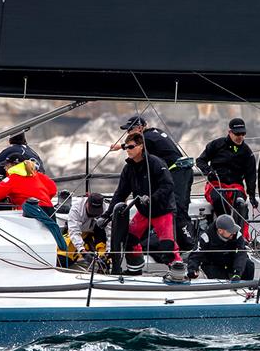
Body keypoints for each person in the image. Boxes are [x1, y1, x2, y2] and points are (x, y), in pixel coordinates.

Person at [103, 132, 185, 275]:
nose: (127, 150)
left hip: (162, 210)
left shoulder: (156, 163)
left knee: (167, 245)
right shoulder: (128, 169)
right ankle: (135, 270)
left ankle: (178, 274)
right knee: (130, 239)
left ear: (140, 147)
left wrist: (151, 199)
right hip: (144, 211)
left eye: (131, 147)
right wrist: (107, 214)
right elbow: (120, 193)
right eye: (126, 147)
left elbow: (168, 185)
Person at [110, 115, 195, 250]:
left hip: (179, 172)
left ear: (139, 128)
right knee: (173, 206)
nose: (128, 134)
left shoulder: (147, 138)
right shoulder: (154, 132)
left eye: (130, 130)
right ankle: (169, 241)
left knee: (178, 208)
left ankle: (189, 246)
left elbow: (140, 145)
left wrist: (120, 146)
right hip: (180, 171)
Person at [196, 118, 258, 239]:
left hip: (236, 186)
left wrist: (252, 196)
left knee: (241, 204)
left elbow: (251, 175)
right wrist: (208, 171)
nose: (240, 137)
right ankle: (222, 234)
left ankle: (242, 238)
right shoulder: (216, 144)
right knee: (219, 199)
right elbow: (200, 160)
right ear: (229, 132)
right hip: (216, 184)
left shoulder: (247, 152)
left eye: (243, 134)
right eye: (237, 134)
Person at [0, 153, 57, 217]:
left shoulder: (12, 180)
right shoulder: (37, 175)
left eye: (6, 164)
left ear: (13, 165)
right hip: (49, 211)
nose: (4, 167)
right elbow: (53, 189)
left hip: (31, 213)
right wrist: (41, 199)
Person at [186, 214, 254, 282]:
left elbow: (241, 254)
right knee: (215, 274)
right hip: (213, 263)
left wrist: (237, 273)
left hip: (230, 261)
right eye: (230, 231)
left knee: (249, 265)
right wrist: (192, 270)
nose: (233, 233)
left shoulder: (237, 235)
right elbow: (196, 255)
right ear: (220, 231)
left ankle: (247, 287)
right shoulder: (206, 237)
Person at [60, 192, 110, 268]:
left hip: (99, 235)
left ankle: (103, 258)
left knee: (105, 260)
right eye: (92, 211)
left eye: (97, 212)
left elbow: (110, 233)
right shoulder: (76, 208)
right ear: (87, 203)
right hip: (81, 232)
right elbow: (74, 231)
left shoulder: (107, 209)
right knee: (62, 258)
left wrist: (109, 252)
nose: (94, 214)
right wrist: (82, 251)